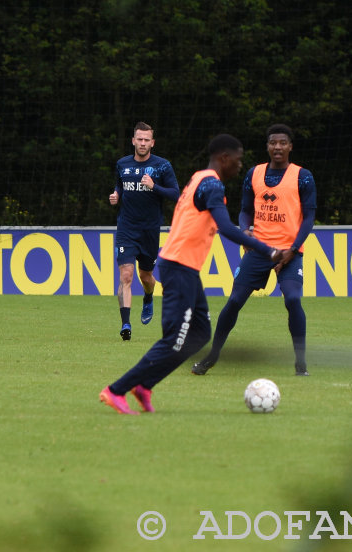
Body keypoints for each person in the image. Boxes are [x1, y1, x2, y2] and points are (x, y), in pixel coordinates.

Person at [100, 134, 285, 414]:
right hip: (179, 267)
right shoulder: (210, 184)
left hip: (187, 268)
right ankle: (116, 390)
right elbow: (226, 227)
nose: (240, 164)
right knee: (174, 338)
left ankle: (145, 385)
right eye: (238, 158)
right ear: (224, 157)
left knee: (199, 334)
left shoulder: (200, 178)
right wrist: (267, 250)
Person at [191, 124, 316, 377]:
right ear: (267, 146)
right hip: (260, 249)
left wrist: (293, 250)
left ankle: (300, 362)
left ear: (290, 146)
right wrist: (246, 230)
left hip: (289, 251)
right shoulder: (254, 173)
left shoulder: (303, 176)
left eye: (282, 143)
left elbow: (309, 217)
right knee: (235, 301)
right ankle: (212, 356)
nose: (277, 147)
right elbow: (245, 210)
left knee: (292, 299)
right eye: (273, 142)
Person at [109, 122, 179, 341]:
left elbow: (176, 194)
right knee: (126, 276)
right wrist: (116, 195)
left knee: (146, 277)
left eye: (146, 139)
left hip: (149, 231)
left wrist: (154, 187)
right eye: (139, 139)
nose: (142, 143)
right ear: (133, 141)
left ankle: (148, 297)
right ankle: (126, 324)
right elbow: (119, 185)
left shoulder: (162, 166)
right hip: (126, 229)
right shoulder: (122, 164)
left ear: (152, 143)